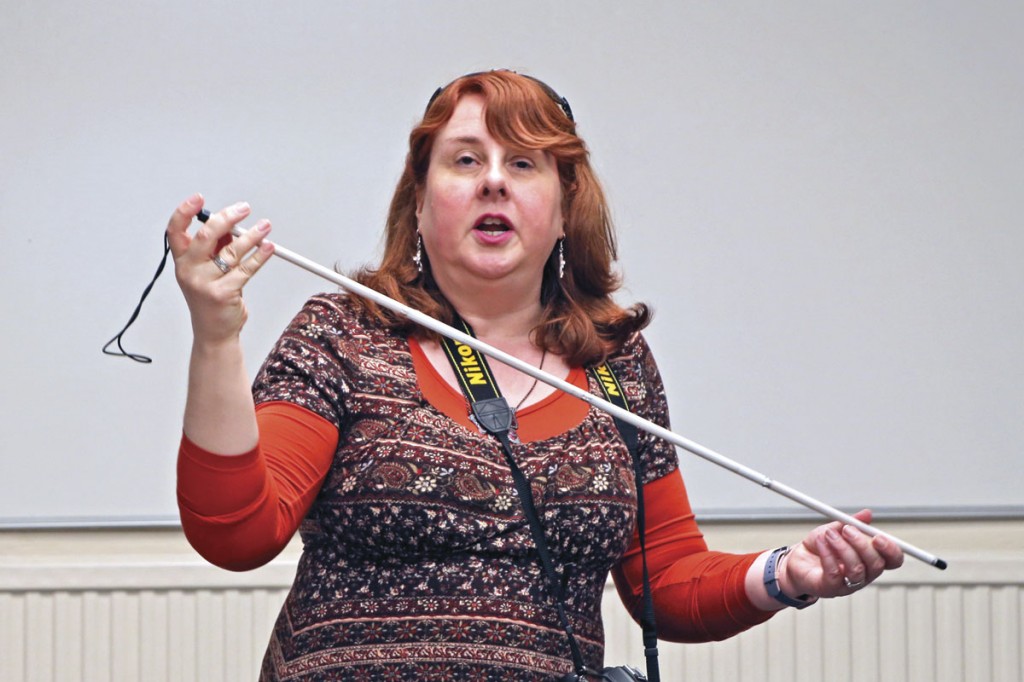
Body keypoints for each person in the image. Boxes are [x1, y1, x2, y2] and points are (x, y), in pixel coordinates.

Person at [168, 70, 904, 681]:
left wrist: (788, 573)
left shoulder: (616, 367)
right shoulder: (346, 334)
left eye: (523, 164)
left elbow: (667, 582)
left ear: (562, 211)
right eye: (464, 160)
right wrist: (216, 335)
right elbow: (237, 536)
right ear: (420, 203)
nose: (494, 182)